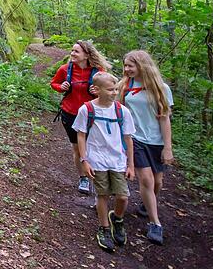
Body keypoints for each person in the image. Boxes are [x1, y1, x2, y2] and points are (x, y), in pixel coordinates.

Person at [74, 72, 135, 252]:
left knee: (123, 196)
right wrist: (84, 160)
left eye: (116, 89)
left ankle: (117, 218)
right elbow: (81, 135)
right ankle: (104, 228)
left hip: (117, 160)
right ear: (97, 90)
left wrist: (131, 165)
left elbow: (128, 138)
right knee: (103, 195)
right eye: (110, 89)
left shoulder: (122, 111)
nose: (114, 92)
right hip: (97, 159)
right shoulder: (87, 109)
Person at [119, 50, 174, 245]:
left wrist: (168, 148)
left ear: (142, 65)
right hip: (135, 139)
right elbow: (118, 109)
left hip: (156, 141)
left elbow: (165, 119)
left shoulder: (161, 88)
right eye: (125, 65)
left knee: (158, 182)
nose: (126, 69)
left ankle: (146, 205)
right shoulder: (126, 86)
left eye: (130, 66)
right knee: (146, 179)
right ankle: (155, 223)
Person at [50, 40, 112, 194]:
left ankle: (102, 177)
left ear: (86, 55)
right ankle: (83, 177)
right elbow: (54, 83)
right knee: (77, 148)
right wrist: (61, 86)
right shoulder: (65, 69)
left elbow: (110, 91)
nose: (72, 54)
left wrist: (98, 91)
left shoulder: (99, 72)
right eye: (72, 51)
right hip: (70, 113)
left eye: (76, 51)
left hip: (93, 115)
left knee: (95, 147)